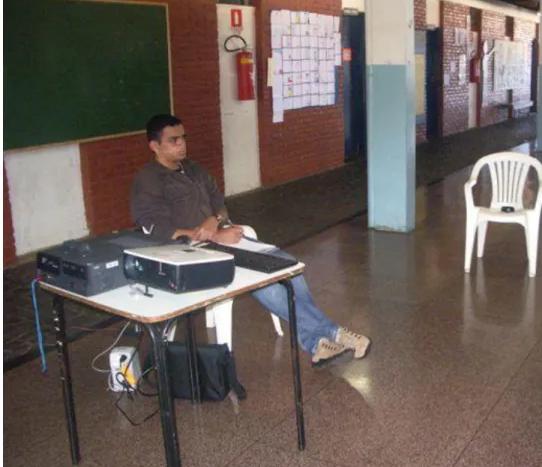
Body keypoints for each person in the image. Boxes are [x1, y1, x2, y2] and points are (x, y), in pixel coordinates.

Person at [130, 114, 371, 365]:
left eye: (183, 138)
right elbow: (159, 229)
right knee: (264, 283)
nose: (182, 144)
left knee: (290, 268)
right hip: (191, 252)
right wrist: (212, 234)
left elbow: (220, 204)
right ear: (155, 146)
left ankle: (318, 343)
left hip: (222, 238)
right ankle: (332, 333)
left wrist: (215, 219)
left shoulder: (193, 169)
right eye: (173, 140)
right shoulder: (148, 180)